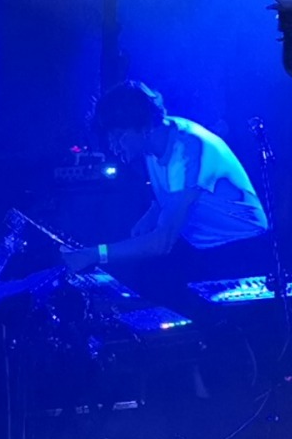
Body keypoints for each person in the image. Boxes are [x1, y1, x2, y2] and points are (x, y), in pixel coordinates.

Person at [60, 80, 269, 324]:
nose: (113, 146)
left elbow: (161, 243)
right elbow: (172, 192)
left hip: (242, 253)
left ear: (144, 126)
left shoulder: (188, 149)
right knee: (150, 283)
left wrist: (94, 255)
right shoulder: (157, 141)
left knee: (182, 314)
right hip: (208, 248)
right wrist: (151, 213)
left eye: (118, 136)